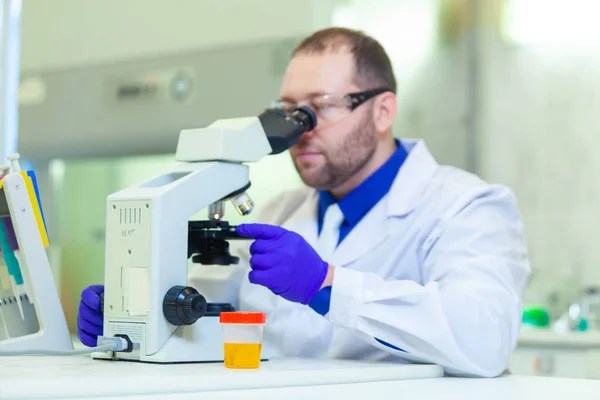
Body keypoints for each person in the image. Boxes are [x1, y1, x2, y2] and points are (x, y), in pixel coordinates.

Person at [77, 27, 530, 378]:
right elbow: (204, 316)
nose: (299, 130)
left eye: (319, 108)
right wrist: (135, 315)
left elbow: (485, 339)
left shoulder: (467, 206)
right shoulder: (279, 212)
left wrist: (328, 284)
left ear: (382, 111)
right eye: (290, 111)